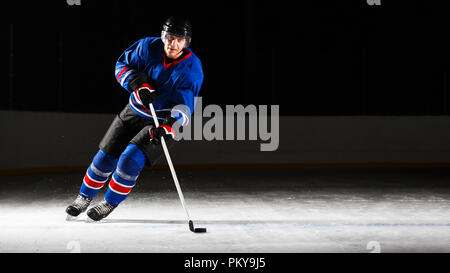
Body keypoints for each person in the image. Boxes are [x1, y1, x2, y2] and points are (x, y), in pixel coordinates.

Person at [65, 16, 204, 221]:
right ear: (163, 36)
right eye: (169, 37)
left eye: (178, 40)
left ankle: (109, 202)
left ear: (186, 42)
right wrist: (134, 81)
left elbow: (185, 104)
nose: (172, 44)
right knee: (105, 157)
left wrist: (170, 125)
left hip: (160, 122)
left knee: (129, 160)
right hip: (134, 111)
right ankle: (84, 197)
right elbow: (122, 65)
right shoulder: (146, 47)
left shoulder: (191, 68)